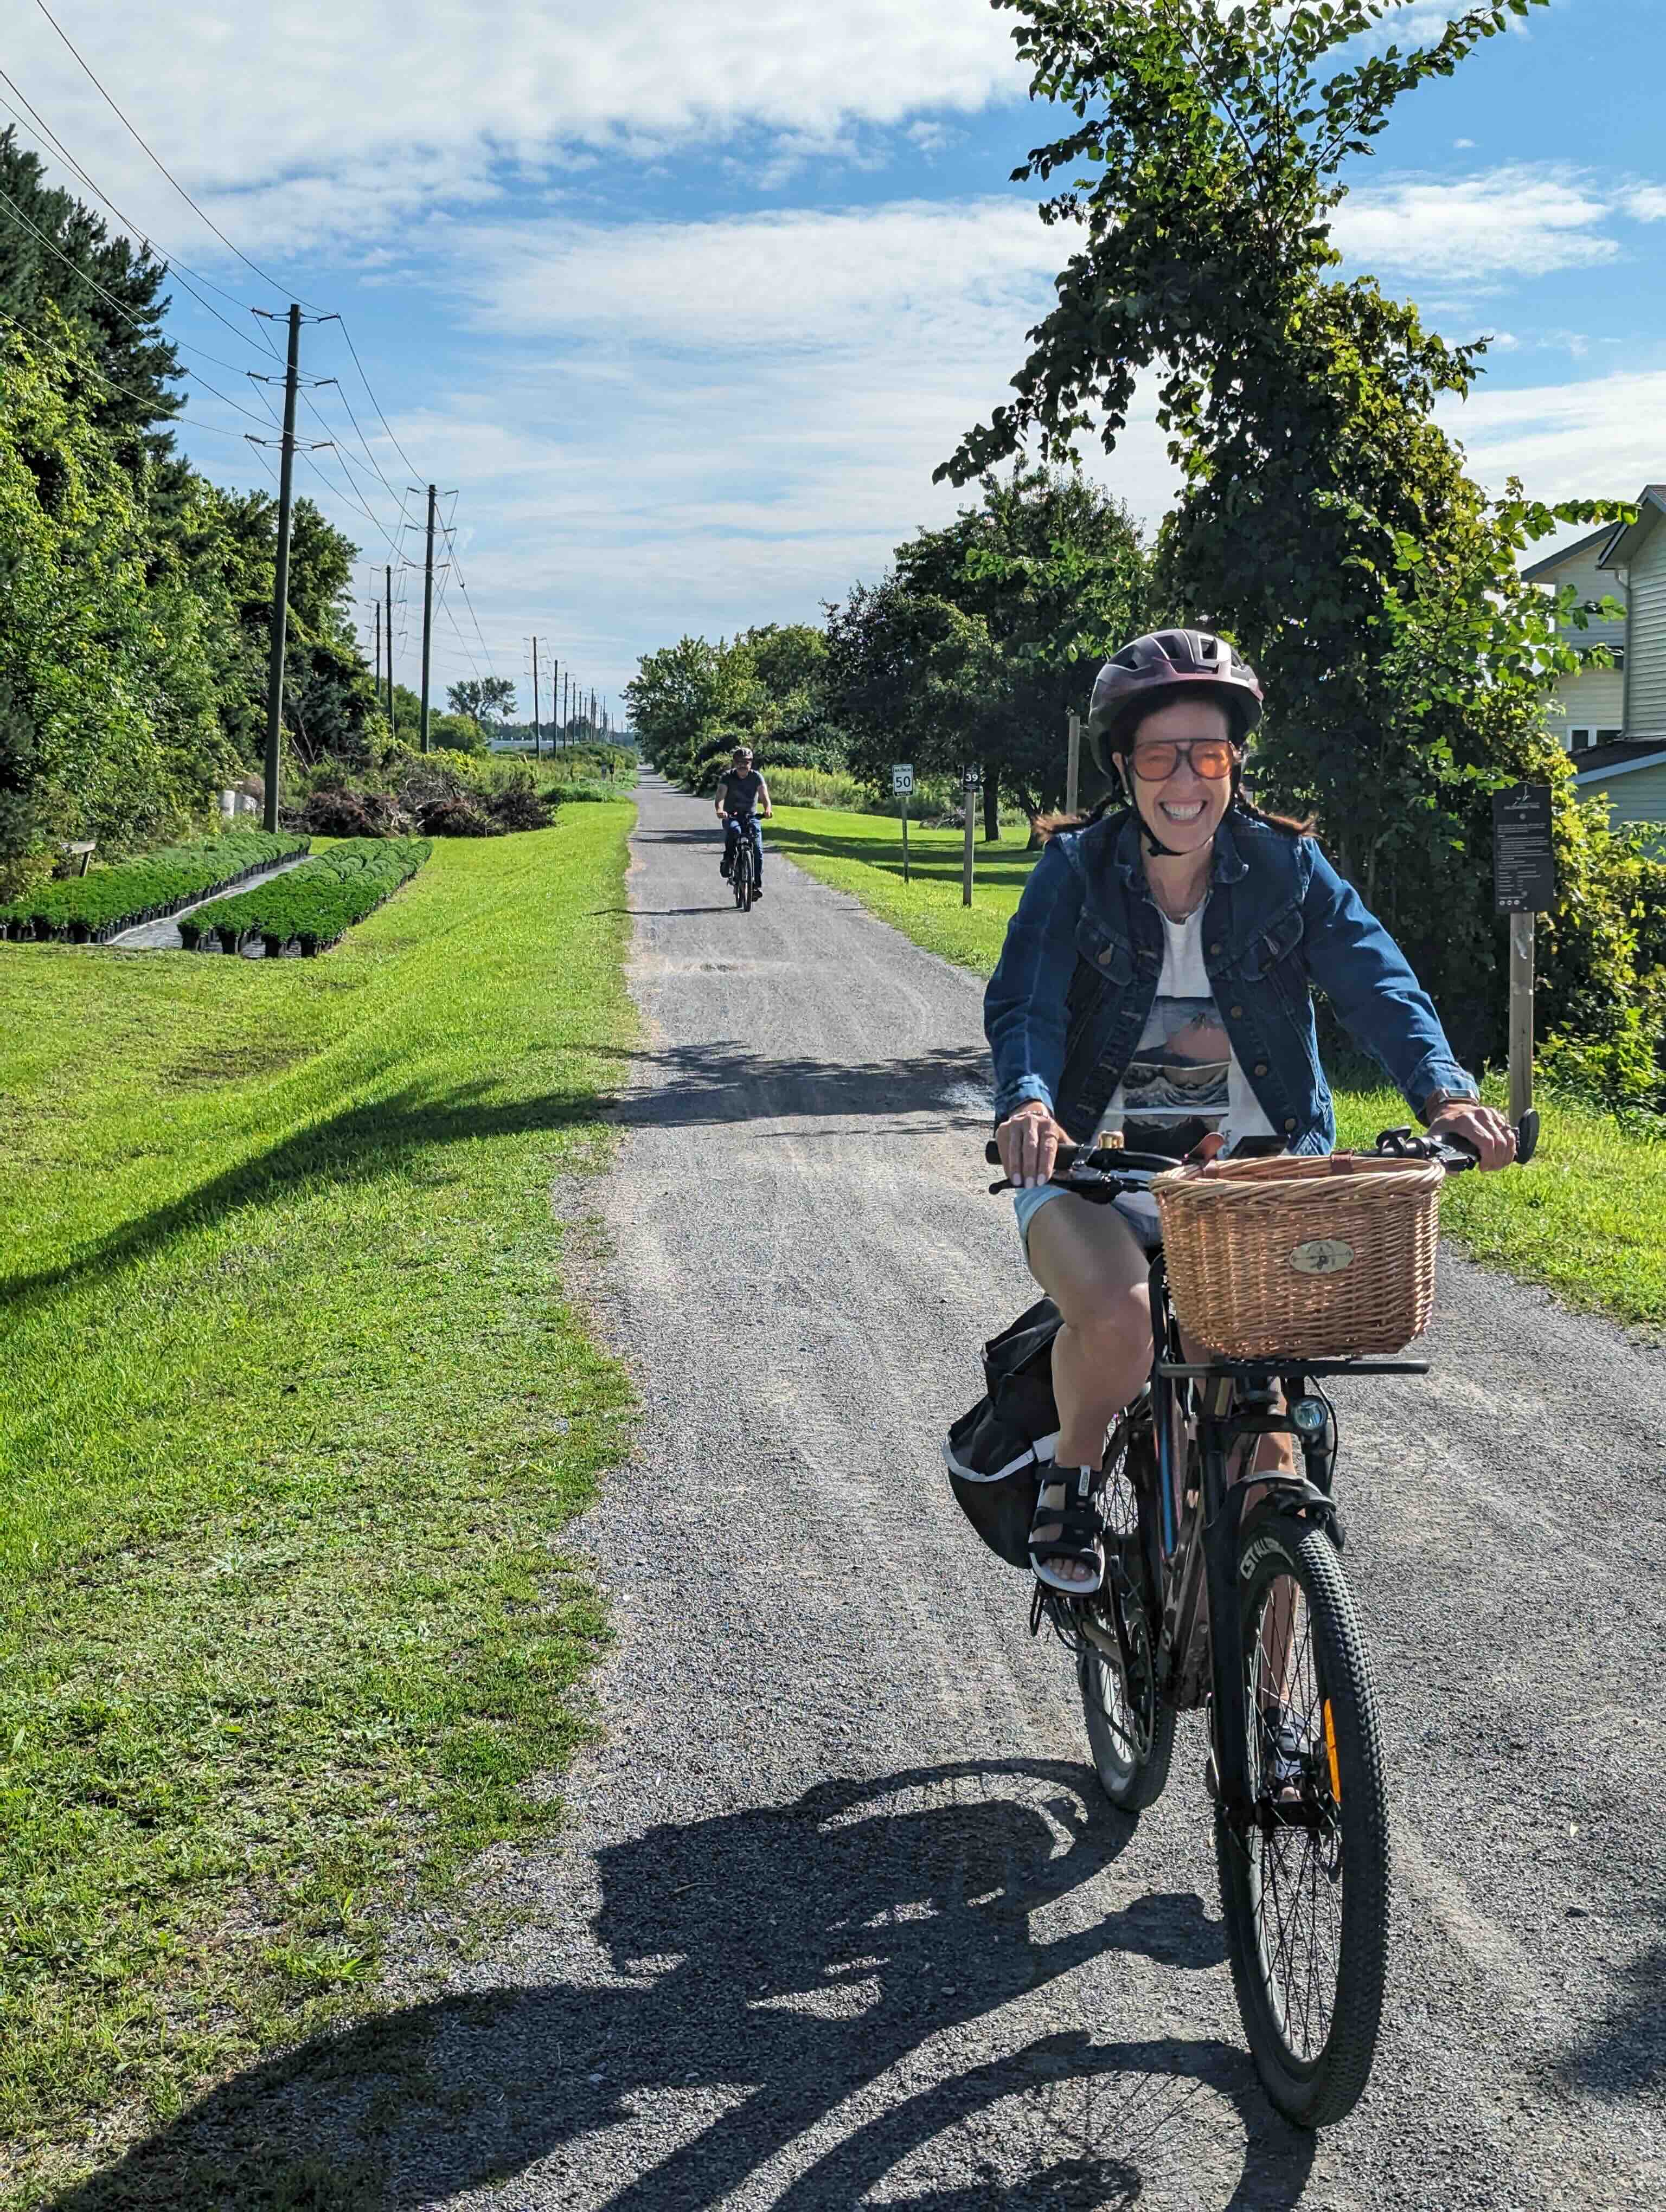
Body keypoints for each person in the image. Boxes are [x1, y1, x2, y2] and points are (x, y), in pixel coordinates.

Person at [985, 628, 1516, 1595]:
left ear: (1234, 764)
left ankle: (1277, 1713)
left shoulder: (1287, 871)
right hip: (1091, 1170)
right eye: (1159, 754)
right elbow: (1028, 1001)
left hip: (1249, 1176)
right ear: (1122, 765)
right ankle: (1069, 1474)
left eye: (1208, 754)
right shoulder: (1075, 871)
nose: (1183, 779)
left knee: (1268, 1444)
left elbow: (1377, 985)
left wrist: (1444, 1091)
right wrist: (1027, 1105)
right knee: (1121, 1317)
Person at [716, 746, 772, 898]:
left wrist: (767, 809)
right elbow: (721, 795)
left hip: (751, 817)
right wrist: (720, 810)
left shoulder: (756, 777)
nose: (743, 765)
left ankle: (755, 885)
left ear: (751, 763)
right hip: (732, 816)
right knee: (734, 831)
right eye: (739, 762)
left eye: (746, 762)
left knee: (758, 850)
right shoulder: (727, 777)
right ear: (735, 763)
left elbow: (764, 795)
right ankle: (729, 859)